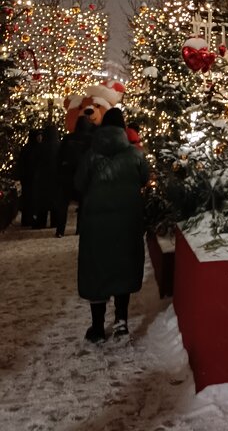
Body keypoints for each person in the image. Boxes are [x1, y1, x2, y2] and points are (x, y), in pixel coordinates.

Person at [75, 107, 149, 343]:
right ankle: (121, 322)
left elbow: (79, 184)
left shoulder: (91, 155)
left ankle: (97, 327)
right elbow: (145, 178)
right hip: (126, 222)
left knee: (96, 270)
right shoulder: (134, 154)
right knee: (122, 269)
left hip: (95, 224)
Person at [54, 115, 94, 237]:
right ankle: (80, 229)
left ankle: (60, 230)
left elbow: (59, 156)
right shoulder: (91, 139)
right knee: (83, 203)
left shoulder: (68, 138)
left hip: (67, 173)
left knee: (63, 203)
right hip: (83, 174)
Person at [31, 125, 60, 229]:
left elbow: (34, 161)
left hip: (43, 177)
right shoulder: (59, 146)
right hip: (56, 177)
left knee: (42, 201)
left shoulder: (41, 147)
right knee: (55, 201)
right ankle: (55, 221)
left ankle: (41, 222)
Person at [16, 129, 43, 226]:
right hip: (29, 178)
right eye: (38, 136)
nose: (40, 138)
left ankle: (29, 218)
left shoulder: (30, 148)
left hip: (31, 178)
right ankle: (28, 219)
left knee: (30, 199)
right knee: (29, 199)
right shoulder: (31, 148)